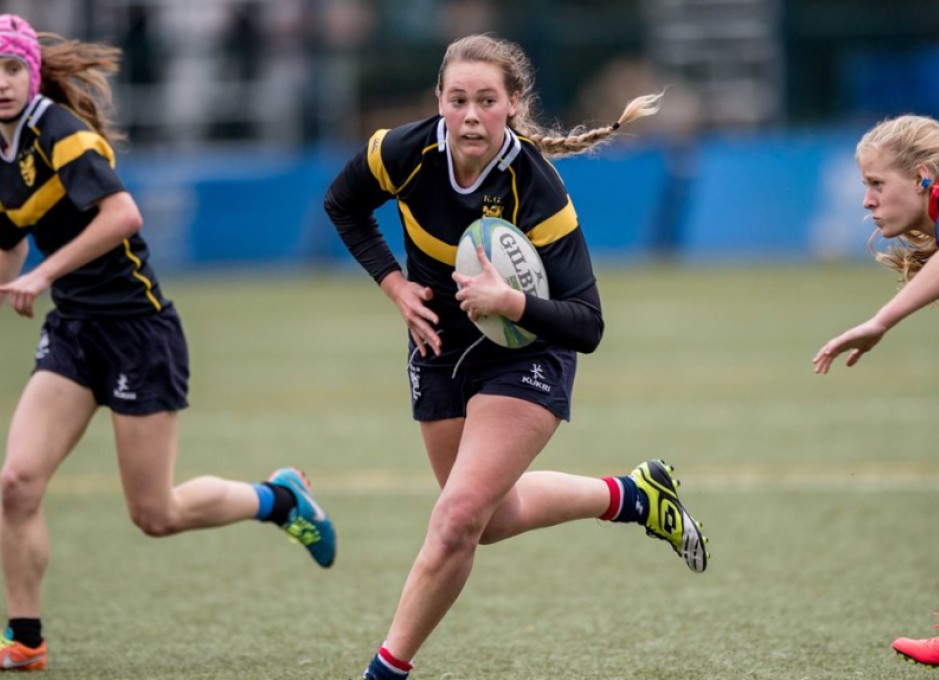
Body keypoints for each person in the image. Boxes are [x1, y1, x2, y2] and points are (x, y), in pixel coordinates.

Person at [324, 33, 709, 680]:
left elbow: (587, 324)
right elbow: (343, 205)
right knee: (487, 518)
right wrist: (395, 285)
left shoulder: (537, 188)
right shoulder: (403, 151)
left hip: (529, 350)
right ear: (439, 103)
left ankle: (386, 671)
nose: (471, 115)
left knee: (455, 521)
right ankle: (635, 496)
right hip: (440, 346)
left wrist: (512, 302)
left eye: (486, 100)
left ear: (514, 105)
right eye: (457, 100)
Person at [0, 14, 336, 671]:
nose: (2, 85)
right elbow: (8, 242)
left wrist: (43, 272)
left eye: (11, 69)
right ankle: (27, 638)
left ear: (31, 73)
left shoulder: (60, 133)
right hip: (73, 332)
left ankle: (279, 498)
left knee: (155, 514)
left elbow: (123, 214)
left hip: (136, 331)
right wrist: (16, 276)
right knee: (14, 483)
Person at [813, 114, 939, 677]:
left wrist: (881, 321)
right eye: (865, 186)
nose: (866, 201)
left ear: (924, 176)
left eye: (877, 184)